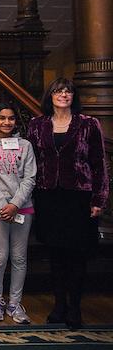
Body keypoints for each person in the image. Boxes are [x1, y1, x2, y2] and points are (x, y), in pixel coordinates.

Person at [27, 78, 109, 330]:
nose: (63, 95)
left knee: (77, 255)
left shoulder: (88, 124)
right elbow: (30, 162)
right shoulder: (37, 125)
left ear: (74, 96)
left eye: (68, 91)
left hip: (78, 197)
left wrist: (99, 198)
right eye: (58, 91)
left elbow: (99, 164)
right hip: (48, 196)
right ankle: (59, 304)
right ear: (49, 95)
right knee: (55, 254)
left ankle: (75, 307)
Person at [0, 103, 36, 324]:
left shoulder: (26, 145)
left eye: (11, 118)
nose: (6, 122)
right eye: (1, 118)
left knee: (19, 257)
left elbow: (30, 178)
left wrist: (16, 204)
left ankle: (15, 303)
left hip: (23, 207)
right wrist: (3, 204)